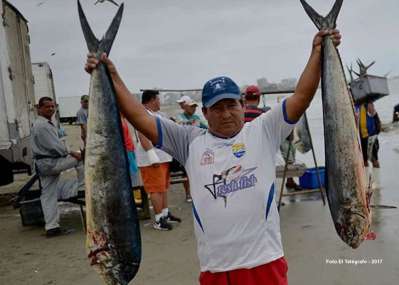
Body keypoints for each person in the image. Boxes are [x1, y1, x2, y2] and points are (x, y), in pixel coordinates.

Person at [85, 29, 341, 285]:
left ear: (242, 104)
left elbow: (302, 96)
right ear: (205, 113)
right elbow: (139, 117)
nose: (226, 113)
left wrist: (318, 52)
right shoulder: (189, 141)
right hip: (216, 269)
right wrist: (111, 75)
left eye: (231, 105)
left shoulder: (264, 129)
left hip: (265, 262)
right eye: (217, 108)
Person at [31, 97, 84, 237]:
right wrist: (73, 152)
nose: (51, 109)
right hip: (51, 163)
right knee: (81, 158)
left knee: (48, 195)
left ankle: (51, 227)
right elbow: (57, 147)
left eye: (52, 106)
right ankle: (82, 188)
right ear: (39, 108)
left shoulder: (43, 124)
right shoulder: (42, 126)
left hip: (43, 164)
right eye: (47, 107)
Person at [135, 90, 181, 231]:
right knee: (155, 189)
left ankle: (165, 214)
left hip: (163, 156)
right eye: (158, 99)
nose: (160, 102)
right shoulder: (142, 114)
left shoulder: (157, 115)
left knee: (163, 187)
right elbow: (142, 135)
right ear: (152, 100)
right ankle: (158, 219)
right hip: (152, 159)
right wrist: (151, 154)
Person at [175, 97, 207, 202]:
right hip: (185, 149)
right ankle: (188, 194)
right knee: (186, 173)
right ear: (185, 106)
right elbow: (180, 126)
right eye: (192, 106)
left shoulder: (197, 117)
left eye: (194, 106)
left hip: (197, 148)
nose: (194, 108)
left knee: (199, 171)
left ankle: (199, 191)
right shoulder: (180, 117)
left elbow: (206, 126)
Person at [358, 100, 381, 189]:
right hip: (362, 137)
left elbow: (373, 113)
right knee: (364, 160)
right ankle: (368, 182)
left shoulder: (367, 103)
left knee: (374, 160)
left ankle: (377, 183)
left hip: (371, 136)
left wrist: (371, 109)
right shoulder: (357, 106)